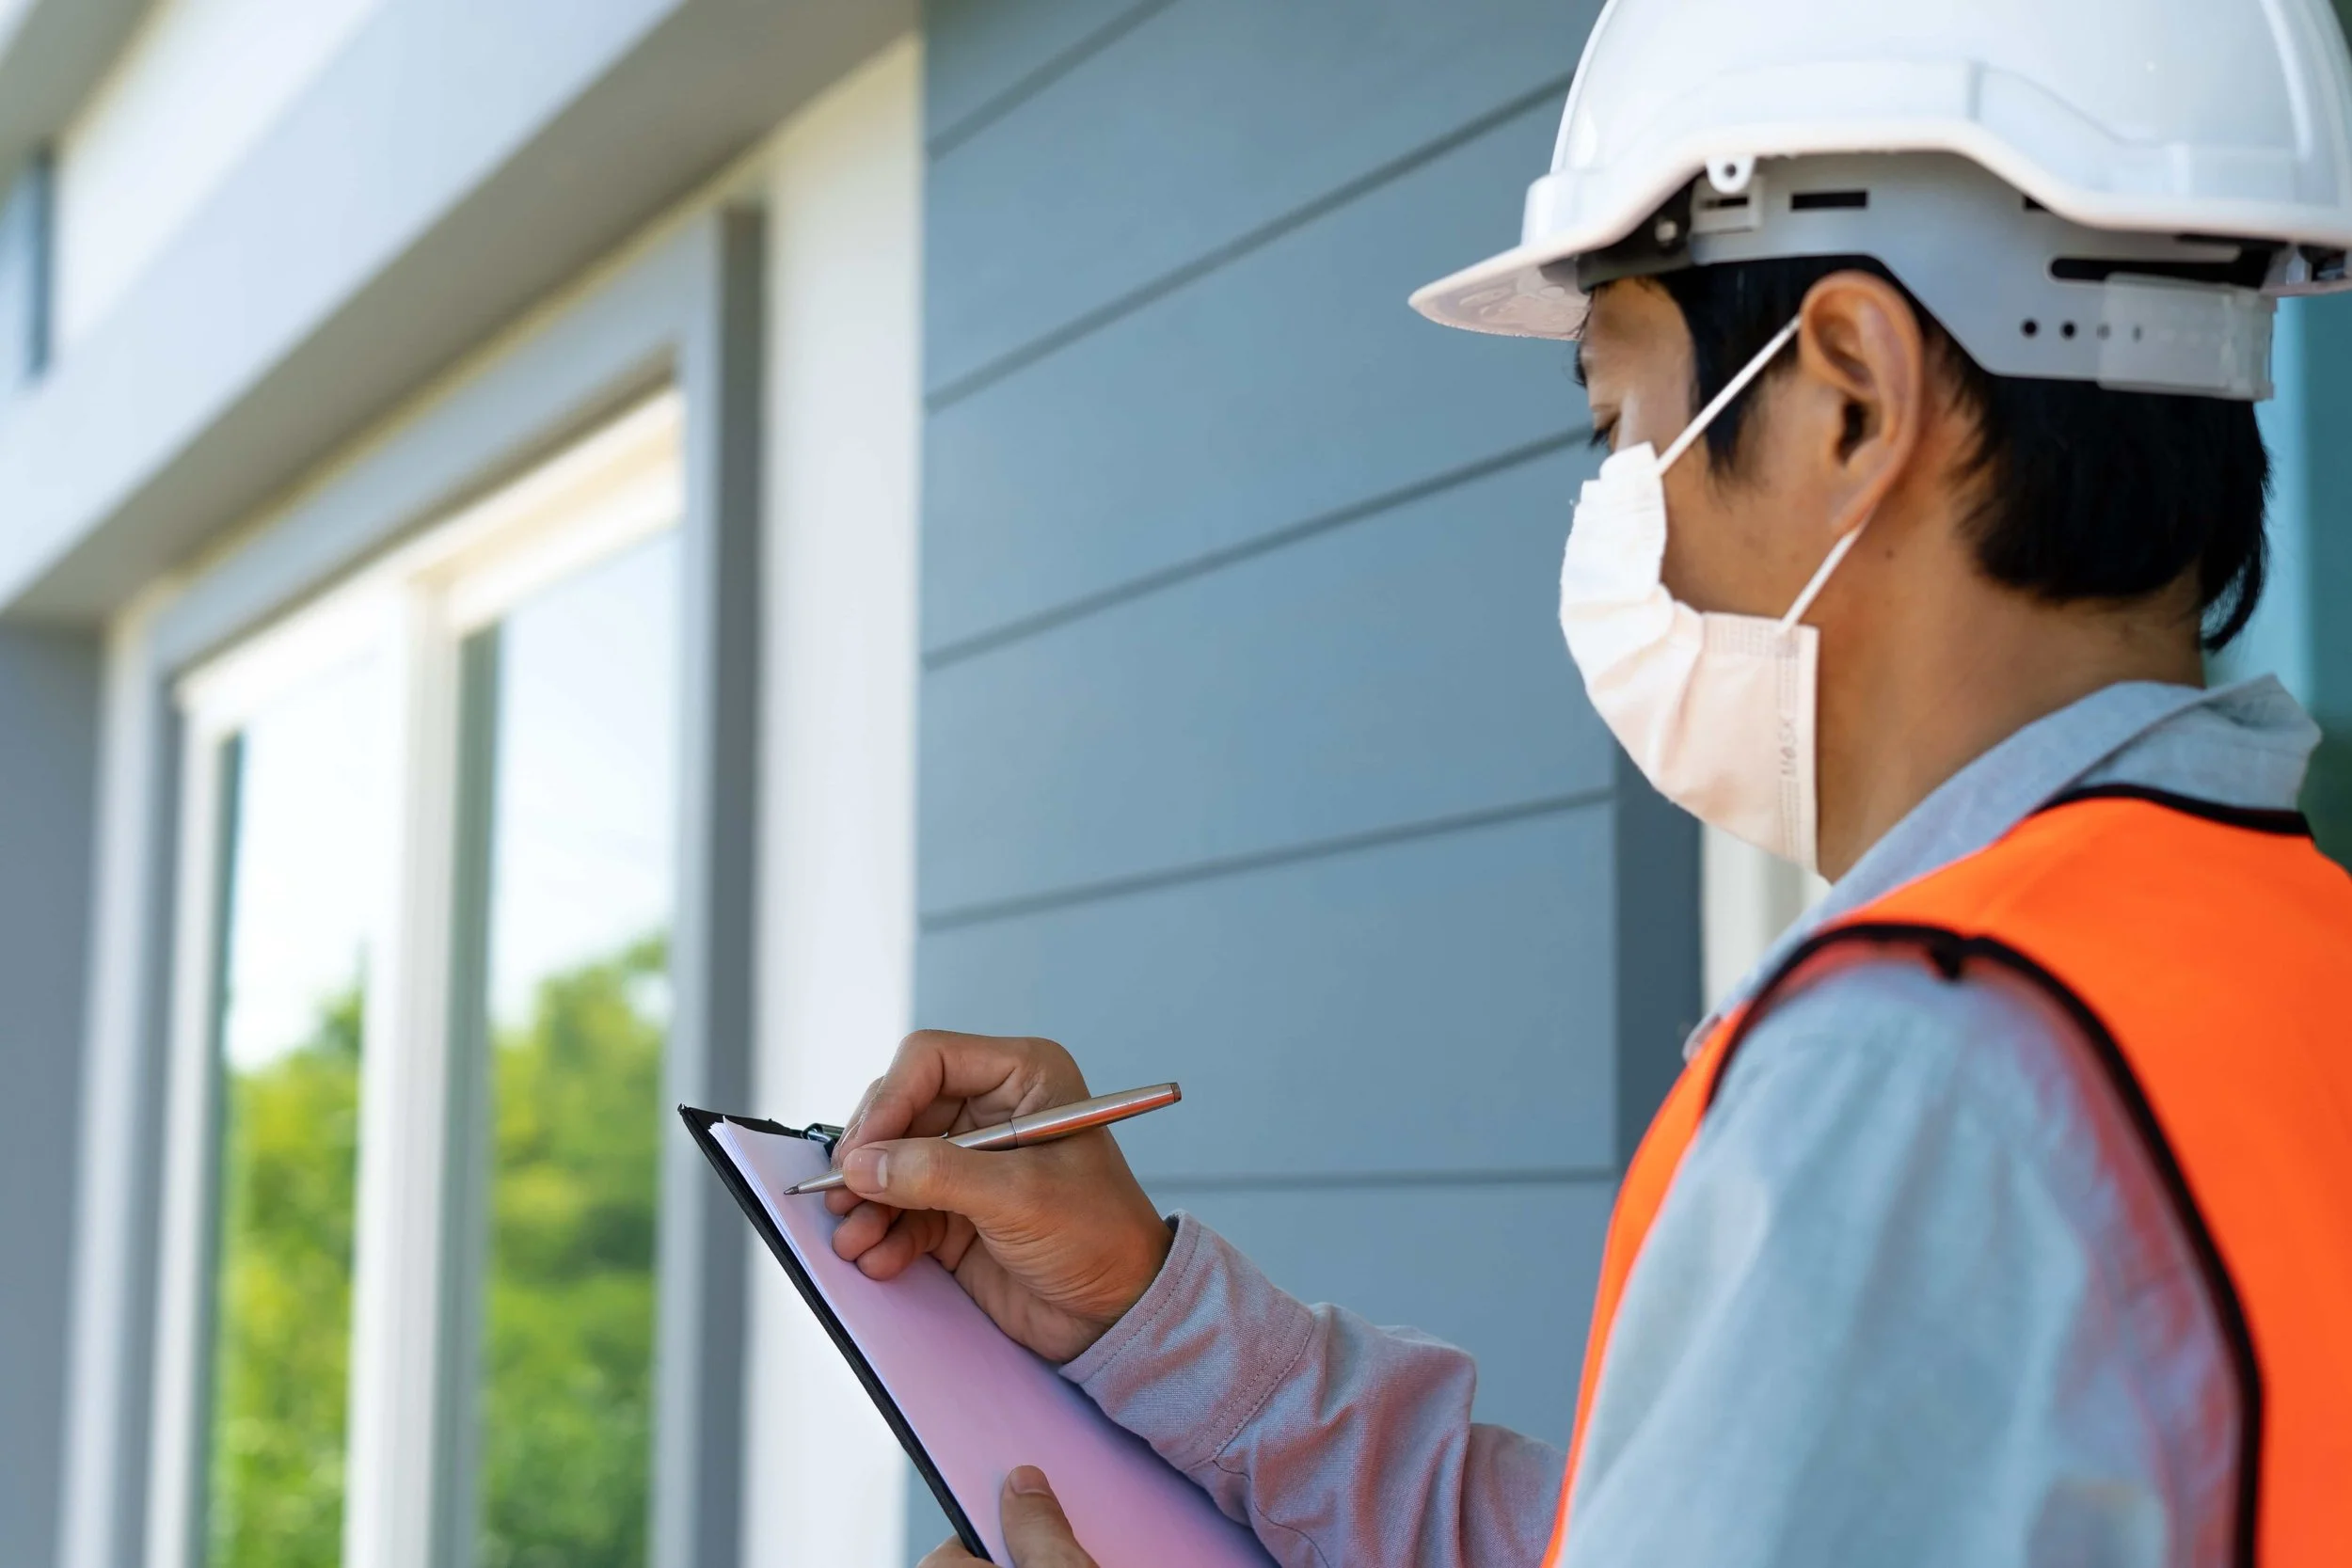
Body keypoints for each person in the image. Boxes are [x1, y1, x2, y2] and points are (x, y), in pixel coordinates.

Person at [826, 3, 2352, 1562]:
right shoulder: (2284, 964)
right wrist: (1156, 1316)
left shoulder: (1926, 1064)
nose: (1623, 511)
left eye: (1622, 423)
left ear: (1848, 399)